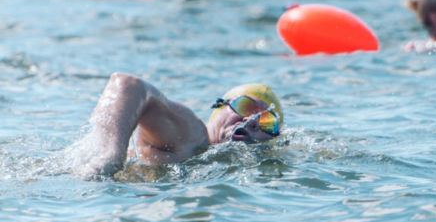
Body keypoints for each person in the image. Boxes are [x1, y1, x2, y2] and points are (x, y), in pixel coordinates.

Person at [78, 73, 283, 177]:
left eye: (268, 121)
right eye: (245, 106)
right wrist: (110, 154)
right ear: (219, 108)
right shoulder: (192, 134)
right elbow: (128, 84)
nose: (253, 122)